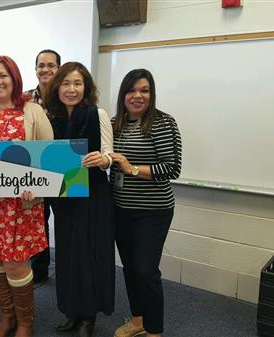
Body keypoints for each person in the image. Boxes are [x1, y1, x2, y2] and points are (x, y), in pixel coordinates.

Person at [0, 55, 53, 337]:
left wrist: (38, 184)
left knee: (17, 262)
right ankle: (7, 318)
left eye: (3, 75)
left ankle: (25, 323)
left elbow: (49, 156)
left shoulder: (32, 110)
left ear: (14, 78)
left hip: (21, 204)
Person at [43, 62, 115, 337]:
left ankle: (89, 316)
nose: (71, 89)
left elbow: (110, 155)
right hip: (64, 198)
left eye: (77, 83)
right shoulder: (52, 118)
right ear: (57, 87)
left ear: (86, 87)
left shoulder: (97, 114)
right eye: (66, 83)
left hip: (93, 196)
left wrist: (103, 159)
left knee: (90, 255)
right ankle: (72, 311)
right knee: (67, 254)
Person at [109, 69, 182, 337]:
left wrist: (131, 169)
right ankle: (138, 321)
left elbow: (172, 168)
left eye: (144, 90)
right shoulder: (115, 122)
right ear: (123, 94)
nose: (138, 96)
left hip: (153, 211)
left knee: (146, 271)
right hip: (120, 209)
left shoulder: (163, 123)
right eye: (132, 90)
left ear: (152, 94)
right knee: (129, 268)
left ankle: (154, 332)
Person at [24, 49, 61, 283]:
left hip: (62, 170)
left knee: (65, 220)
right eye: (41, 65)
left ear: (59, 68)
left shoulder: (66, 95)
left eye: (51, 65)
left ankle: (67, 267)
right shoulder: (24, 99)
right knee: (37, 220)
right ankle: (39, 270)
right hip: (34, 170)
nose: (45, 69)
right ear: (35, 68)